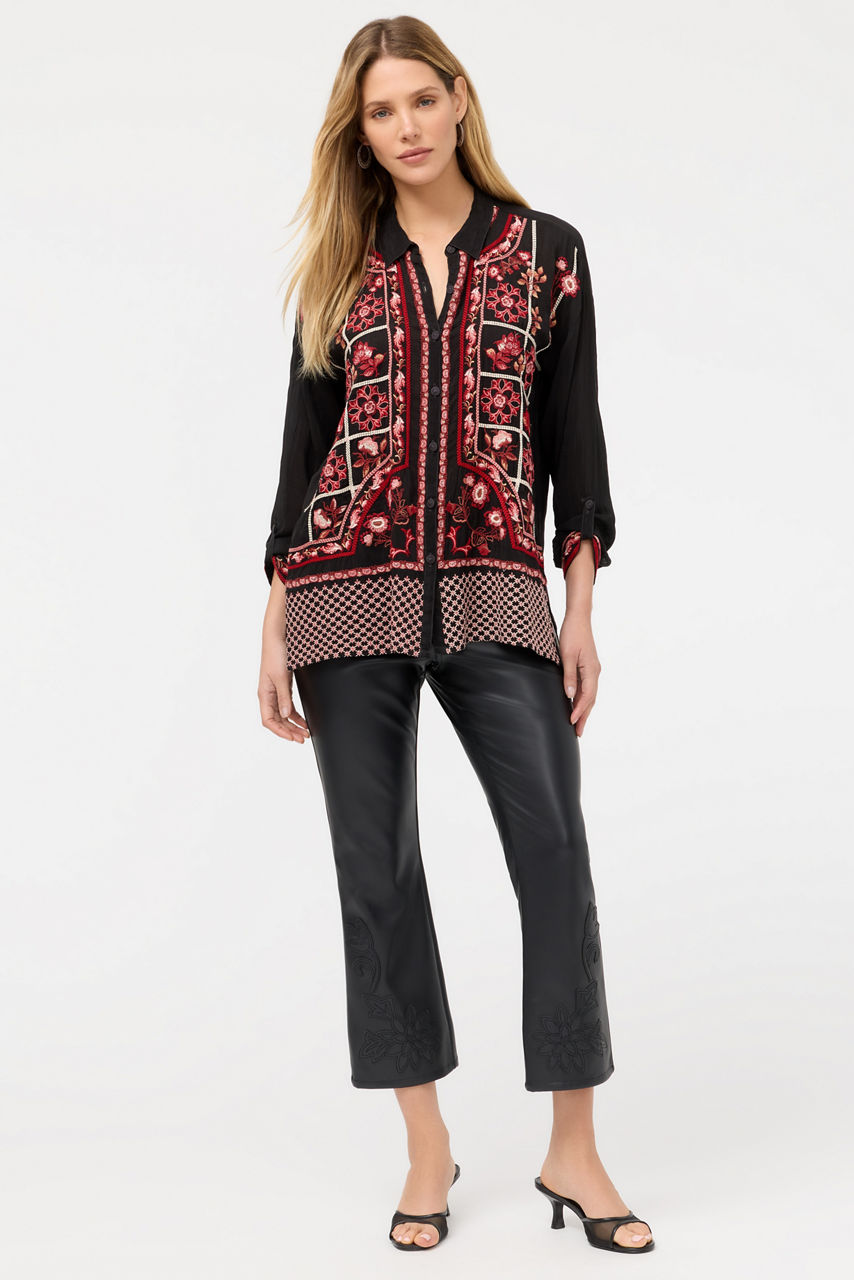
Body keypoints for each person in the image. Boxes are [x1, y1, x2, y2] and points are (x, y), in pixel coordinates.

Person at [257, 15, 655, 1257]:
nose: (406, 127)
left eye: (420, 101)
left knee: (554, 853)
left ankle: (572, 1146)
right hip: (342, 597)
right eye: (380, 112)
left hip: (493, 592)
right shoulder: (338, 269)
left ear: (458, 98)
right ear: (360, 133)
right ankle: (425, 1146)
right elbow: (302, 460)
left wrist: (577, 606)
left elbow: (575, 441)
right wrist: (273, 620)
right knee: (375, 874)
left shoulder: (545, 254)